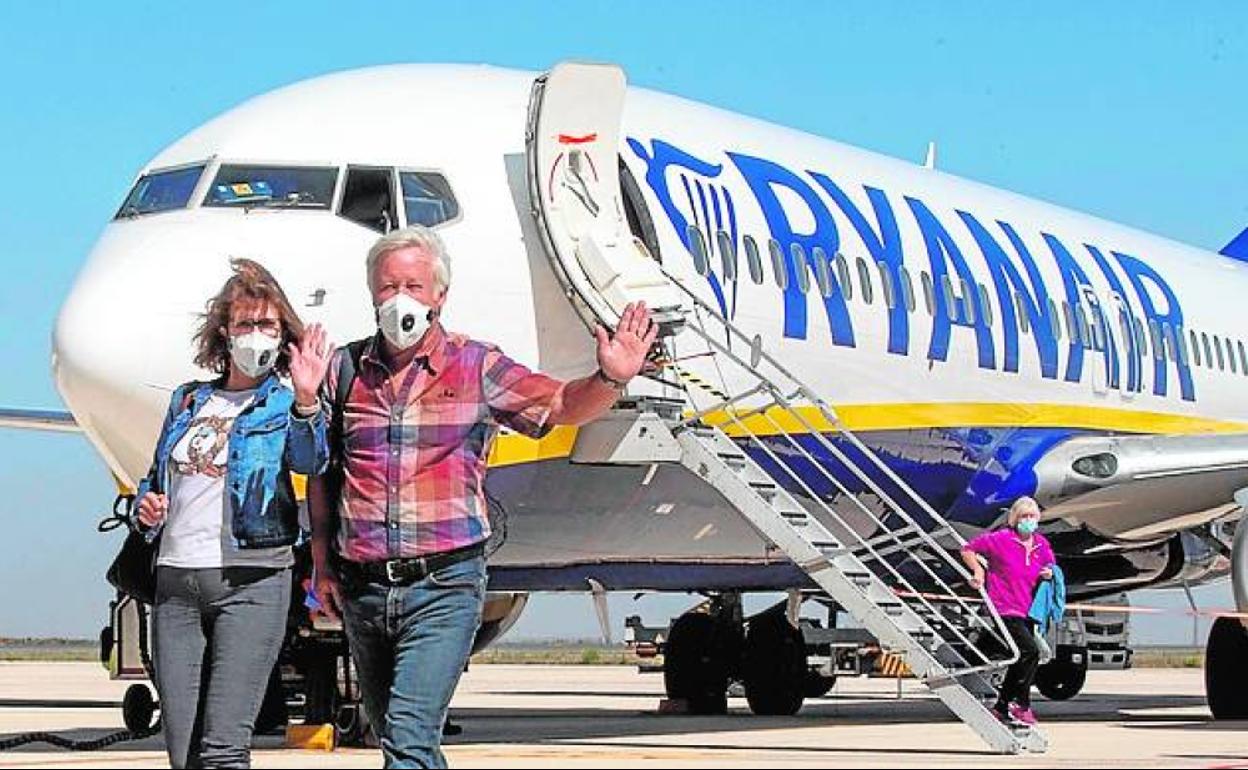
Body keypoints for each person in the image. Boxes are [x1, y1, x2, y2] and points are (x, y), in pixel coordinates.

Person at [308, 225, 656, 768]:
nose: (400, 297)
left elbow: (559, 405)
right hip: (365, 587)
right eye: (388, 285)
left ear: (440, 295)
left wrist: (609, 380)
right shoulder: (344, 371)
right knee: (400, 738)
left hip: (444, 584)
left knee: (407, 736)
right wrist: (321, 561)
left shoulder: (476, 366)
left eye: (415, 285)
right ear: (371, 292)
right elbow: (323, 473)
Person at [134, 258, 333, 768]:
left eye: (266, 324)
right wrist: (147, 508)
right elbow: (154, 482)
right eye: (244, 323)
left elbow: (314, 462)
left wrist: (308, 401)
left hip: (251, 581)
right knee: (183, 752)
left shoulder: (284, 405)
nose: (255, 335)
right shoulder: (187, 401)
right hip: (177, 584)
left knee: (223, 748)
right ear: (225, 331)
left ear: (282, 331)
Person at [961, 495, 1056, 727]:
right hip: (1004, 606)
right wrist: (978, 571)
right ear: (1014, 518)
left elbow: (1051, 565)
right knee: (1030, 651)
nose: (1028, 520)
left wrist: (1049, 573)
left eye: (1032, 516)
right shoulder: (1001, 539)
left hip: (1028, 608)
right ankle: (1021, 705)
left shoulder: (1040, 544)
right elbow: (968, 549)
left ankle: (1002, 706)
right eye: (1024, 516)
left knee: (1023, 657)